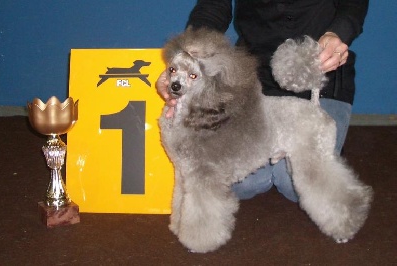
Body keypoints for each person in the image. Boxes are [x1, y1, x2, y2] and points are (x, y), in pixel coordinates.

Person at [156, 0, 369, 202]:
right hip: (253, 82)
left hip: (320, 75)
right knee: (239, 182)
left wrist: (338, 33)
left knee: (296, 185)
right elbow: (212, 7)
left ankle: (328, 147)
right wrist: (184, 62)